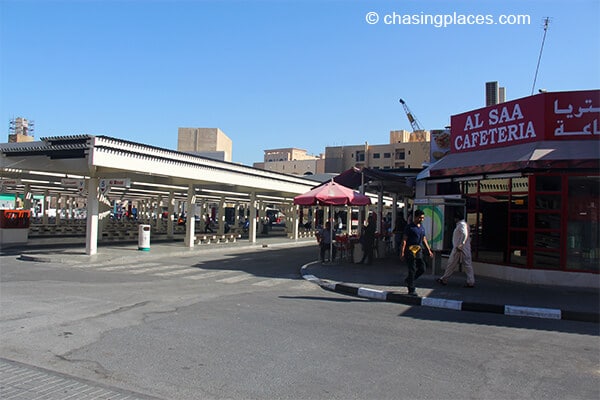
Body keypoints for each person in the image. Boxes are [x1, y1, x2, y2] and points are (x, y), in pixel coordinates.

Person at [436, 210, 475, 288]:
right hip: (463, 248)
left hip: (459, 248)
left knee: (452, 263)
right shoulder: (464, 224)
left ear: (457, 218)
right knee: (466, 264)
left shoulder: (461, 225)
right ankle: (470, 281)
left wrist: (461, 244)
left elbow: (465, 234)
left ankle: (445, 279)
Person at [400, 209, 433, 296]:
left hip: (418, 250)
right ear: (416, 217)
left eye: (423, 218)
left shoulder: (421, 227)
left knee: (422, 268)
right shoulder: (409, 227)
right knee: (412, 269)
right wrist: (402, 252)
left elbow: (424, 239)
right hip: (410, 250)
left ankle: (409, 280)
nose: (422, 219)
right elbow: (404, 240)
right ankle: (411, 289)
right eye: (420, 218)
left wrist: (428, 250)